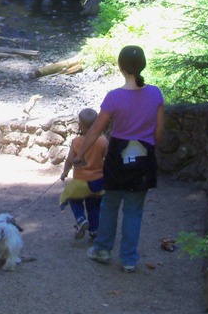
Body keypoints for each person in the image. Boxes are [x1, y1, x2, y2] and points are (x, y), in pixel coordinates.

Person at [74, 45, 165, 273]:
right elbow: (159, 130)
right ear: (142, 65)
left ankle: (103, 250)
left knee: (110, 205)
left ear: (120, 67)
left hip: (117, 156)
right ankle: (129, 259)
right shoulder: (156, 94)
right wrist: (153, 150)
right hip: (144, 156)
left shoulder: (114, 97)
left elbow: (95, 130)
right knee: (134, 210)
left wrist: (80, 154)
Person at [59, 108, 108, 240]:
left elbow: (69, 160)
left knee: (74, 199)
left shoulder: (76, 142)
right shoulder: (103, 141)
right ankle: (94, 231)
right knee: (94, 207)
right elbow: (108, 158)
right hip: (98, 180)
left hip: (81, 181)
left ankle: (81, 219)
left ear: (80, 125)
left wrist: (65, 172)